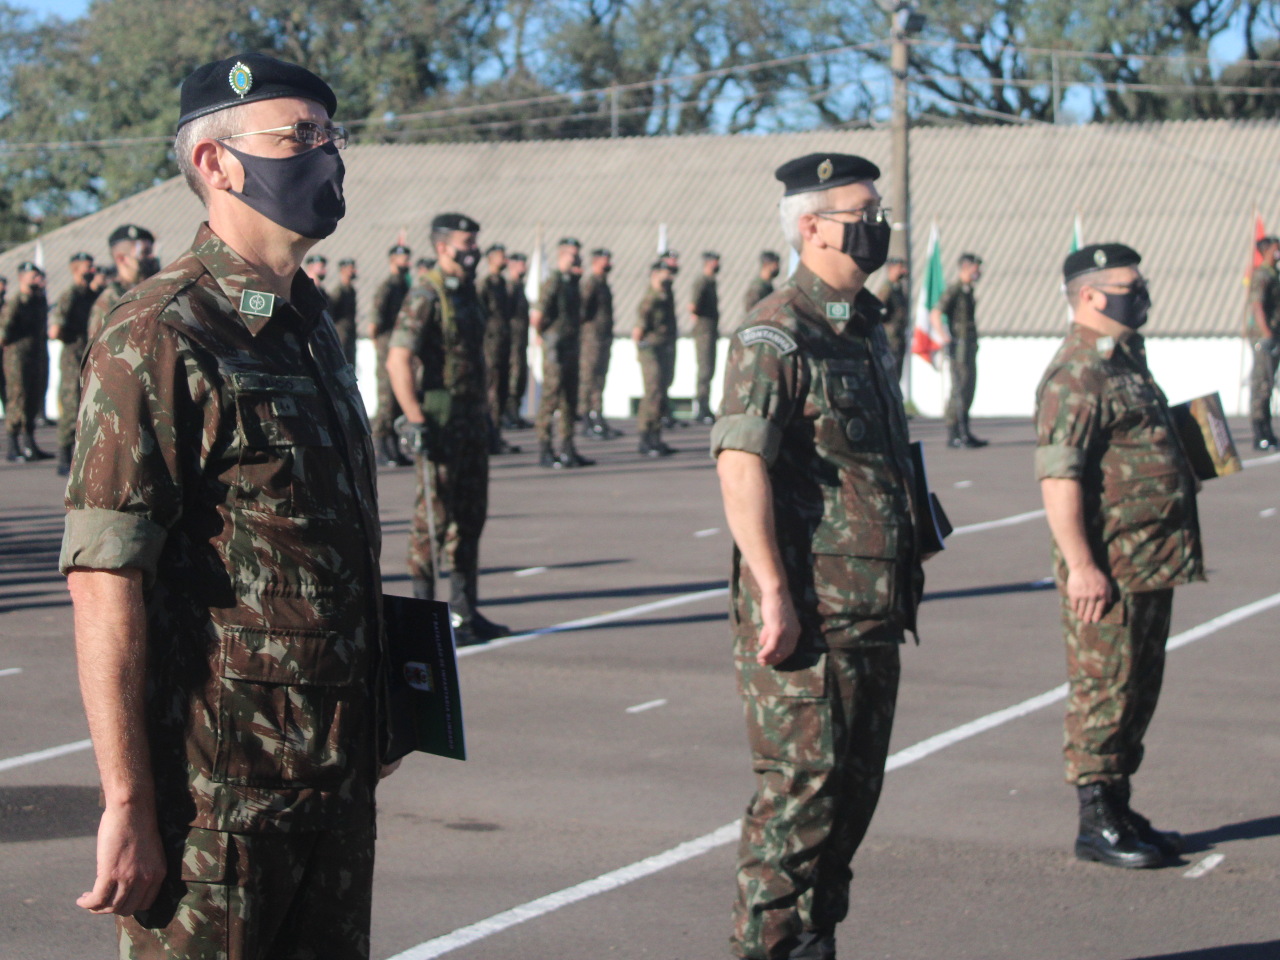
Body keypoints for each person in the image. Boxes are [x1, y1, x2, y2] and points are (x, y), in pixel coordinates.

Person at [61, 52, 394, 959]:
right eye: (301, 137)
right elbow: (105, 576)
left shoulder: (309, 325)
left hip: (329, 786)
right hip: (218, 813)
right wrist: (128, 803)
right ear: (217, 163)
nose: (327, 157)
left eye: (333, 137)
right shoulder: (161, 330)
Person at [712, 153, 924, 960]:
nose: (877, 225)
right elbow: (741, 464)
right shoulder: (777, 332)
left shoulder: (864, 328)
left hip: (872, 607)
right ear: (811, 226)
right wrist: (773, 590)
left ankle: (812, 942)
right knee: (798, 807)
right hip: (810, 617)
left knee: (850, 804)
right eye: (861, 212)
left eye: (878, 211)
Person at [1036, 242, 1202, 870]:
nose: (1143, 293)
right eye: (1130, 286)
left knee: (1137, 687)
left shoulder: (1126, 362)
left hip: (1149, 558)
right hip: (1107, 567)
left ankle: (1121, 805)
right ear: (1090, 295)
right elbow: (1060, 478)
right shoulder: (1077, 372)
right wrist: (1081, 564)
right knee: (1104, 689)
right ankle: (1096, 821)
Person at [386, 213, 508, 645]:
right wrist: (415, 418)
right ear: (442, 247)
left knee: (470, 515)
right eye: (465, 244)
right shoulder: (426, 294)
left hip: (472, 420)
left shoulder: (468, 293)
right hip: (439, 419)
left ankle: (464, 611)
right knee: (431, 523)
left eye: (475, 243)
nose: (473, 252)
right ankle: (423, 618)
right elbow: (398, 358)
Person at [532, 237, 593, 468]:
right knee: (551, 399)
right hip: (556, 349)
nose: (576, 258)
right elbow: (537, 317)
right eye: (571, 254)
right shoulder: (553, 282)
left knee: (570, 400)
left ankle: (568, 447)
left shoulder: (573, 283)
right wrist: (545, 338)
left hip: (571, 348)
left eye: (577, 254)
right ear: (561, 256)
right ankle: (545, 448)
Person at [48, 251, 98, 474]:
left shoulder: (91, 295)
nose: (92, 271)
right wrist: (74, 339)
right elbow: (55, 330)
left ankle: (81, 456)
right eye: (87, 267)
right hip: (72, 356)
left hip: (89, 354)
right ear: (76, 269)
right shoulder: (70, 295)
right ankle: (64, 455)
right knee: (71, 403)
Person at [931, 253, 986, 448]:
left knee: (968, 388)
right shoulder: (954, 290)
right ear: (965, 267)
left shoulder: (967, 291)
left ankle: (965, 431)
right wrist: (944, 336)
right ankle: (954, 432)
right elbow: (936, 313)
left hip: (969, 346)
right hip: (959, 347)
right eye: (975, 268)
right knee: (959, 389)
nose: (978, 272)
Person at [2, 262, 52, 461]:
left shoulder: (38, 300)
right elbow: (3, 332)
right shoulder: (16, 302)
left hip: (37, 356)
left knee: (33, 398)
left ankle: (30, 443)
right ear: (22, 277)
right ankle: (13, 446)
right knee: (17, 398)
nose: (38, 280)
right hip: (18, 358)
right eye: (34, 276)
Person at [369, 243, 413, 465]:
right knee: (386, 400)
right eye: (402, 258)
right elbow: (374, 325)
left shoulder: (404, 287)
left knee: (396, 401)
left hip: (397, 347)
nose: (407, 262)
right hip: (387, 349)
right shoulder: (387, 287)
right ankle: (381, 448)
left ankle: (395, 448)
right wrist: (381, 347)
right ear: (392, 261)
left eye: (407, 258)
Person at [634, 259, 678, 457]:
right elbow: (638, 331)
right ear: (655, 273)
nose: (670, 276)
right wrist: (643, 352)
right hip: (651, 351)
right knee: (652, 392)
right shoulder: (650, 299)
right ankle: (646, 437)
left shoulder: (665, 296)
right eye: (666, 272)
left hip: (663, 349)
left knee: (660, 392)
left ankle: (656, 436)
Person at [87, 224, 160, 341]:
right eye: (145, 252)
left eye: (152, 252)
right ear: (121, 258)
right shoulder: (110, 301)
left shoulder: (156, 290)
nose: (151, 257)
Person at [478, 243, 518, 454]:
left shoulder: (502, 283)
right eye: (502, 256)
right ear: (491, 258)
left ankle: (497, 435)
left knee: (501, 391)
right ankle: (489, 437)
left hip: (503, 345)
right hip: (490, 346)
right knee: (491, 392)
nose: (505, 260)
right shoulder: (484, 285)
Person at [579, 247, 621, 439]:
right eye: (605, 259)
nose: (609, 263)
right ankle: (586, 419)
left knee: (599, 379)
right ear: (596, 261)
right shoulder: (591, 284)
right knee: (588, 378)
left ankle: (598, 417)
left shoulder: (603, 284)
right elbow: (582, 312)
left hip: (603, 338)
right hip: (591, 340)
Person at [1246, 235, 1279, 450]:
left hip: (1275, 334)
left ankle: (1269, 431)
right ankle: (1260, 433)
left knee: (1269, 382)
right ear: (1266, 251)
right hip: (1263, 337)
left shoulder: (1274, 273)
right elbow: (1257, 305)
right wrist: (1266, 333)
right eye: (1276, 248)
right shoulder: (1261, 275)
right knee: (1262, 384)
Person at [689, 250, 722, 425]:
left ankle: (705, 405)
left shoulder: (710, 282)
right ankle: (701, 406)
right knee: (705, 369)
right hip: (704, 332)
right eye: (714, 262)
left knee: (709, 369)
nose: (717, 265)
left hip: (710, 331)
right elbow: (693, 306)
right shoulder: (702, 282)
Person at [504, 252, 532, 429]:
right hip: (511, 341)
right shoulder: (509, 288)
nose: (524, 267)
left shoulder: (520, 287)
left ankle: (516, 413)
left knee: (520, 376)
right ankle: (509, 415)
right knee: (512, 378)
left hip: (521, 341)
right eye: (520, 264)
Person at [657, 248, 682, 427]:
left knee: (667, 377)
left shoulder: (668, 288)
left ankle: (665, 412)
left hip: (667, 339)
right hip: (658, 341)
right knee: (657, 381)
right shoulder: (657, 290)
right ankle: (659, 415)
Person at [875, 257, 909, 382]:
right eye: (900, 268)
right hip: (889, 340)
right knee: (889, 375)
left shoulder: (898, 289)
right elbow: (876, 311)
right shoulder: (887, 289)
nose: (903, 271)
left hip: (898, 339)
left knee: (897, 375)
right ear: (891, 269)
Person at [329, 257, 359, 365]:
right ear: (343, 270)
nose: (354, 271)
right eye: (351, 268)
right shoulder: (338, 292)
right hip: (341, 336)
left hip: (349, 336)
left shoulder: (351, 291)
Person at [744, 250, 782, 315]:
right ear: (765, 265)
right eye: (775, 265)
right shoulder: (757, 287)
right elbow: (750, 311)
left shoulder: (768, 285)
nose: (777, 268)